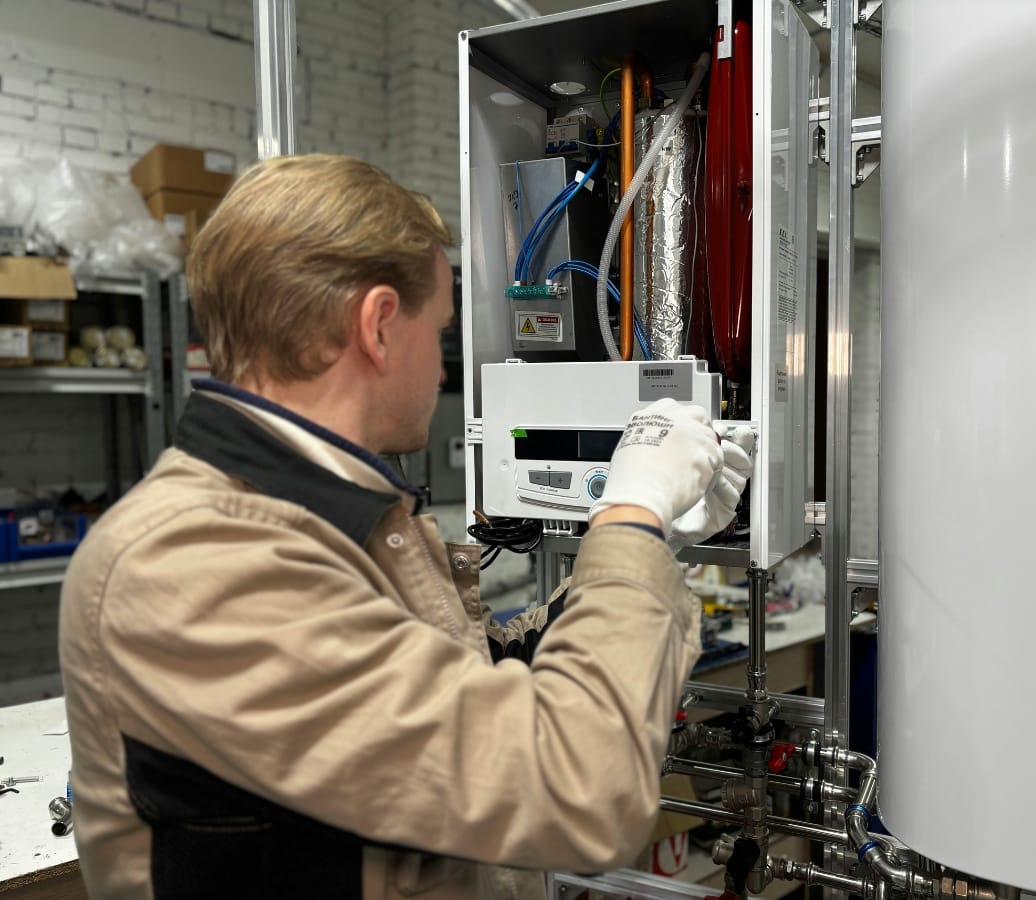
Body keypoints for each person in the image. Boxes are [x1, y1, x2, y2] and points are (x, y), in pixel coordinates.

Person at [59, 154, 754, 900]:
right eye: (441, 331)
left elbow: (483, 682)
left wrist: (657, 541)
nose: (443, 373)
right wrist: (629, 513)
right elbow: (575, 785)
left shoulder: (328, 515)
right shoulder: (192, 557)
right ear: (380, 325)